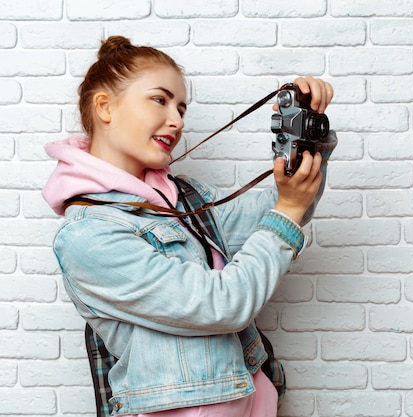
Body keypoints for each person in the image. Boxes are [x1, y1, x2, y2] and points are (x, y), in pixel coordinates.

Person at [41, 36, 336, 416]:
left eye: (181, 107)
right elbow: (223, 304)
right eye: (160, 100)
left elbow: (282, 208)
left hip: (252, 397)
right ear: (105, 107)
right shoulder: (87, 236)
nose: (177, 121)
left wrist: (308, 139)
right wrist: (288, 208)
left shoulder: (184, 196)